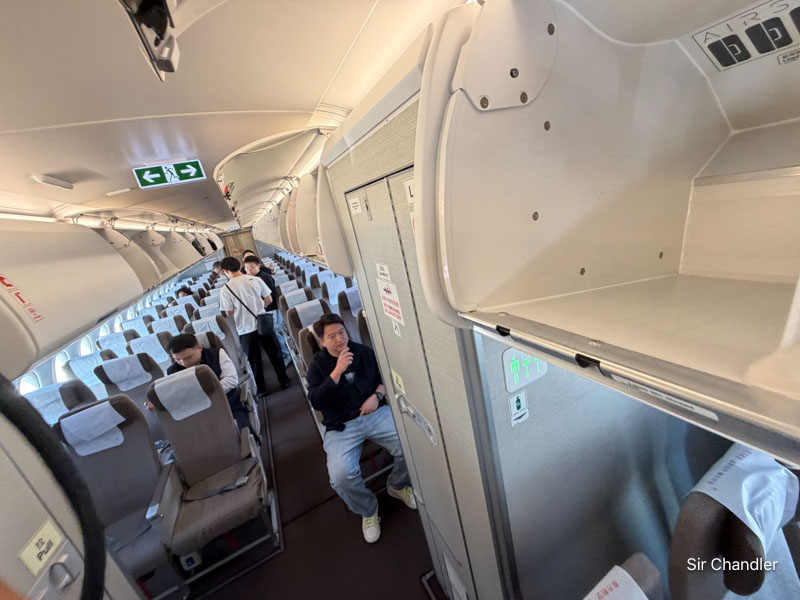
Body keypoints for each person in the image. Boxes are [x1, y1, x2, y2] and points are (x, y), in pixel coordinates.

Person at [307, 313, 416, 544]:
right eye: (332, 336)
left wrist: (377, 396)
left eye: (342, 332)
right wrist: (337, 371)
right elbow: (316, 401)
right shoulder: (317, 366)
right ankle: (368, 510)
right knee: (340, 476)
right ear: (322, 341)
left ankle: (397, 485)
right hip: (341, 426)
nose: (340, 339)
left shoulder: (363, 352)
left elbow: (384, 379)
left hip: (374, 414)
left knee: (410, 442)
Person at [145, 333, 251, 434]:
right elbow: (171, 395)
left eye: (188, 357)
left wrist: (199, 394)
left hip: (226, 403)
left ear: (200, 348)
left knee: (242, 429)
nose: (184, 363)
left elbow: (231, 380)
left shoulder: (217, 354)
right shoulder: (170, 372)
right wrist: (159, 403)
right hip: (195, 412)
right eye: (178, 359)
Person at [218, 256, 290, 394]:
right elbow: (269, 299)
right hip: (263, 323)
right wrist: (258, 307)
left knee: (254, 360)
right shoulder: (255, 280)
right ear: (240, 267)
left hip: (245, 329)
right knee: (275, 353)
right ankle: (284, 380)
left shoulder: (225, 289)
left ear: (226, 271)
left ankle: (262, 389)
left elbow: (229, 312)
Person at [243, 254, 291, 364]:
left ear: (258, 266)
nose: (248, 270)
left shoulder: (264, 278)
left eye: (251, 267)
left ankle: (286, 355)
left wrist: (258, 307)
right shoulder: (254, 279)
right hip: (266, 310)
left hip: (271, 310)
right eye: (246, 268)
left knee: (277, 333)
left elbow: (269, 298)